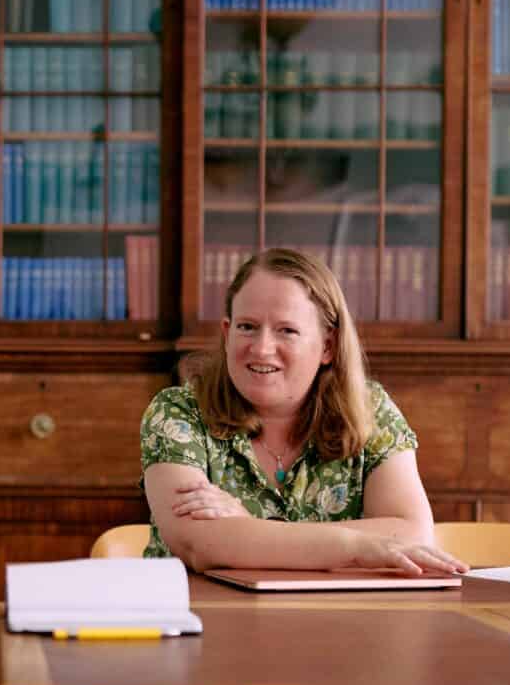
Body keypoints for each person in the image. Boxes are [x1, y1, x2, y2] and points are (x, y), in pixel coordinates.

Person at [139, 246, 466, 575]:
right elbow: (199, 544)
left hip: (336, 621)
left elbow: (413, 534)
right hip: (203, 619)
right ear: (227, 334)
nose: (262, 348)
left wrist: (248, 527)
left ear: (328, 346)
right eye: (247, 327)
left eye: (287, 330)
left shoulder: (372, 411)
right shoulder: (178, 413)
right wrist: (353, 547)